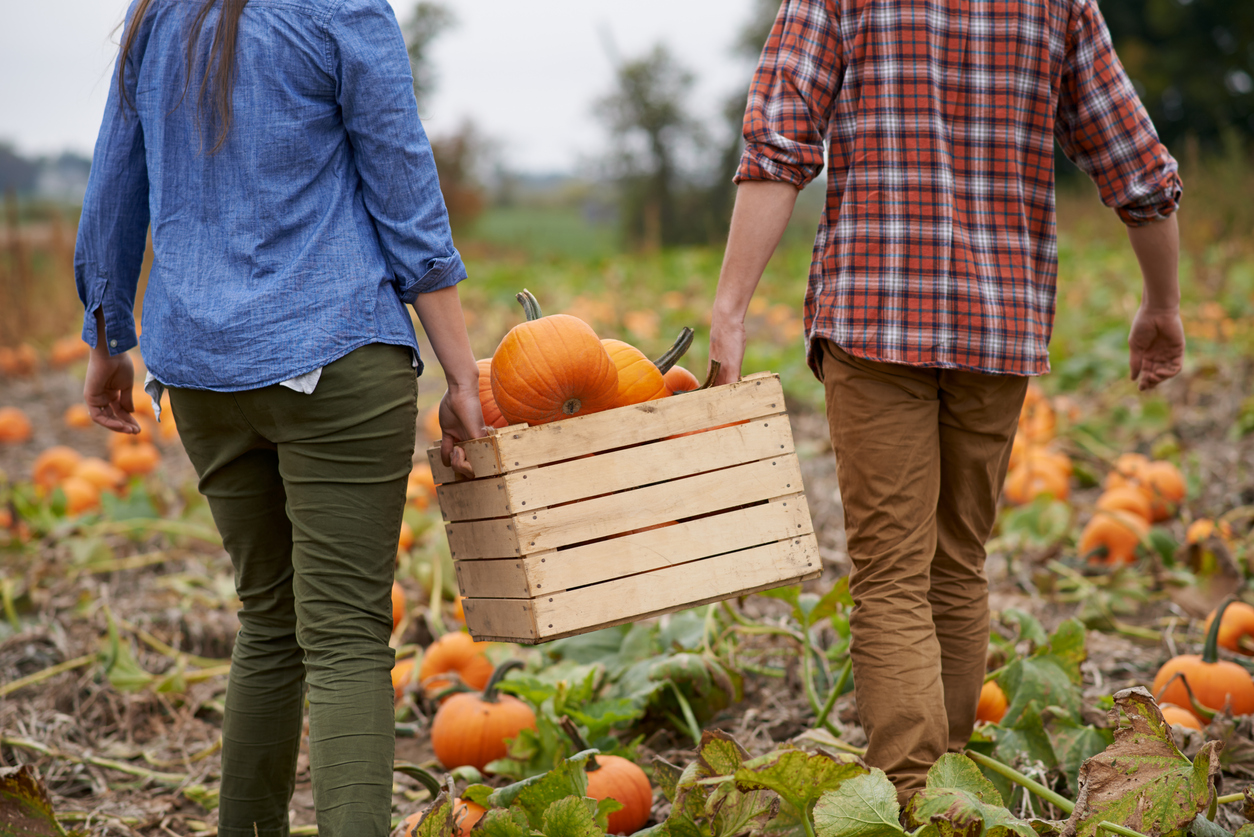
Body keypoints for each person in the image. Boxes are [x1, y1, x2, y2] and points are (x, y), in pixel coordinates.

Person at [710, 0, 1183, 805]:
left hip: (873, 312)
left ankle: (910, 798)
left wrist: (730, 308)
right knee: (957, 564)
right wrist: (1162, 305)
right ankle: (951, 797)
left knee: (892, 576)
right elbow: (1136, 166)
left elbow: (778, 145)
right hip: (998, 322)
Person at [74, 0, 486, 833]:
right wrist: (459, 370)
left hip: (200, 373)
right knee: (345, 638)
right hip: (334, 348)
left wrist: (107, 338)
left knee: (269, 621)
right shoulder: (339, 7)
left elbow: (115, 183)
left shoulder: (155, 15)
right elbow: (403, 179)